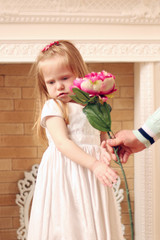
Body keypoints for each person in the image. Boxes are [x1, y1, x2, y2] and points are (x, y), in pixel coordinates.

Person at [27, 40, 123, 240]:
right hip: (66, 173)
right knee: (70, 220)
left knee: (93, 216)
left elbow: (101, 137)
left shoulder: (92, 106)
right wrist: (95, 164)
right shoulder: (53, 107)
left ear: (79, 74)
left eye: (65, 77)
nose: (59, 86)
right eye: (51, 82)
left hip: (91, 175)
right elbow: (62, 143)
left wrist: (107, 152)